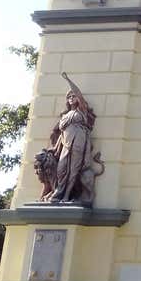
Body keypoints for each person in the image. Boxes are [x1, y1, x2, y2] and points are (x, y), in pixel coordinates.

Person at [49, 72, 97, 204]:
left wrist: (68, 80)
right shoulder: (65, 115)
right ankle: (59, 192)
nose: (71, 97)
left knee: (74, 169)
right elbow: (61, 133)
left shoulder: (81, 111)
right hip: (66, 143)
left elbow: (79, 95)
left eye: (73, 96)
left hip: (79, 140)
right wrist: (55, 148)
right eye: (69, 96)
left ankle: (67, 195)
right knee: (61, 168)